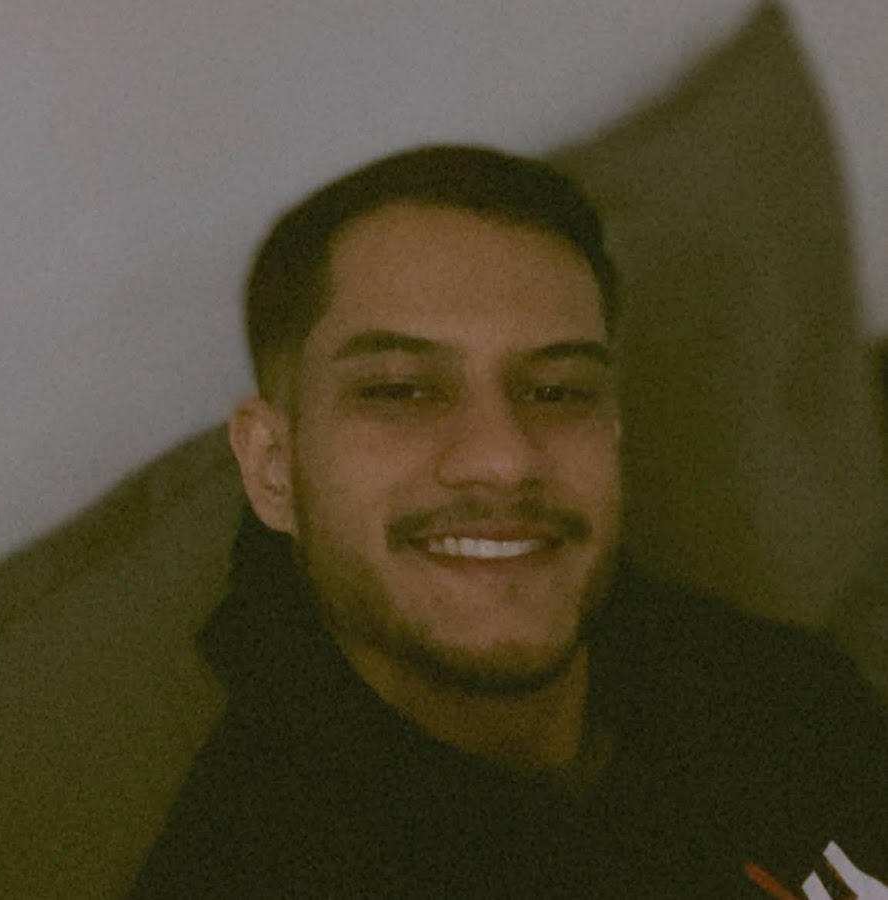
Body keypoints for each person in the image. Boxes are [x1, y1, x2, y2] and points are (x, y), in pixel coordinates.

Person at [130, 145, 887, 898]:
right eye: (401, 390)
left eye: (557, 391)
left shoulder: (771, 692)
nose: (505, 459)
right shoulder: (249, 868)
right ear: (273, 467)